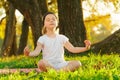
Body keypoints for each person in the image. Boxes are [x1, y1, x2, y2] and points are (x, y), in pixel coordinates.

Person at [24, 12, 91, 72]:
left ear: (57, 23)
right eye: (48, 20)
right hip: (49, 64)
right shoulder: (42, 39)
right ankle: (59, 71)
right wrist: (29, 54)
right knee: (41, 63)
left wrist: (85, 48)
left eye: (53, 19)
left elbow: (73, 49)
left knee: (77, 63)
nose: (51, 21)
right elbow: (37, 51)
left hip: (62, 64)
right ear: (44, 24)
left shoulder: (62, 38)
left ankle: (56, 71)